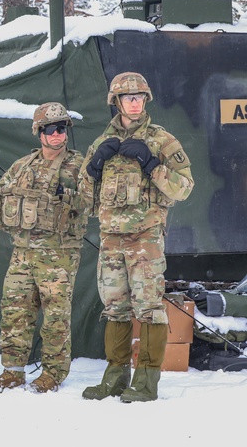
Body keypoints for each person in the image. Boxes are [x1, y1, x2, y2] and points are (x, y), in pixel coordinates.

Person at [79, 72, 193, 403]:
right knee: (115, 308)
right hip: (111, 240)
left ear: (146, 101)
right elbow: (84, 203)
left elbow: (184, 188)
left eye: (140, 97)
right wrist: (94, 168)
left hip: (146, 240)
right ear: (115, 102)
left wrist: (150, 162)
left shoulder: (162, 141)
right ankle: (115, 378)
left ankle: (146, 381)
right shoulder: (101, 145)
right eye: (128, 97)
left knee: (149, 309)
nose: (134, 102)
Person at [0, 103, 89, 394]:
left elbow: (93, 204)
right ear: (39, 133)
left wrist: (68, 197)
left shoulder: (78, 166)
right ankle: (12, 372)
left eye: (62, 128)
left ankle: (53, 373)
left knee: (55, 316)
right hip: (22, 253)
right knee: (15, 311)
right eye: (50, 129)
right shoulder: (22, 166)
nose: (57, 134)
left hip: (59, 253)